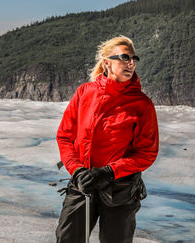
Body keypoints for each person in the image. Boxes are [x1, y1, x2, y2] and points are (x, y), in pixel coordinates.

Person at [55, 35, 159, 243]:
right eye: (124, 58)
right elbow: (65, 137)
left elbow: (147, 153)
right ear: (106, 63)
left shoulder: (142, 104)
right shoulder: (85, 93)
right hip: (82, 184)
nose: (131, 63)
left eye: (133, 59)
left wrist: (108, 172)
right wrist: (76, 170)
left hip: (120, 189)